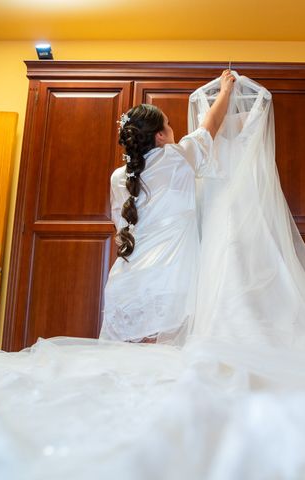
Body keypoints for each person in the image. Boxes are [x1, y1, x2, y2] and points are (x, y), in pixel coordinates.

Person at [99, 70, 236, 343]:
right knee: (164, 368)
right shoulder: (176, 158)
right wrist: (225, 92)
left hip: (125, 282)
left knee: (125, 371)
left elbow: (120, 225)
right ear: (160, 136)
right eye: (169, 125)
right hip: (167, 281)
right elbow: (210, 126)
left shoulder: (117, 177)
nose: (174, 131)